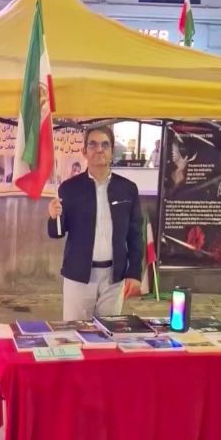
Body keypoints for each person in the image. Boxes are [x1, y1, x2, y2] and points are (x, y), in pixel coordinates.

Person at [48, 125, 144, 321]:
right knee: (75, 331)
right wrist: (53, 216)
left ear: (112, 151)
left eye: (105, 145)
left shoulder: (127, 189)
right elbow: (57, 232)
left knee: (108, 333)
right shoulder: (69, 188)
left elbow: (135, 235)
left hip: (114, 278)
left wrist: (134, 273)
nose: (99, 149)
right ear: (84, 151)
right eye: (93, 145)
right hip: (79, 276)